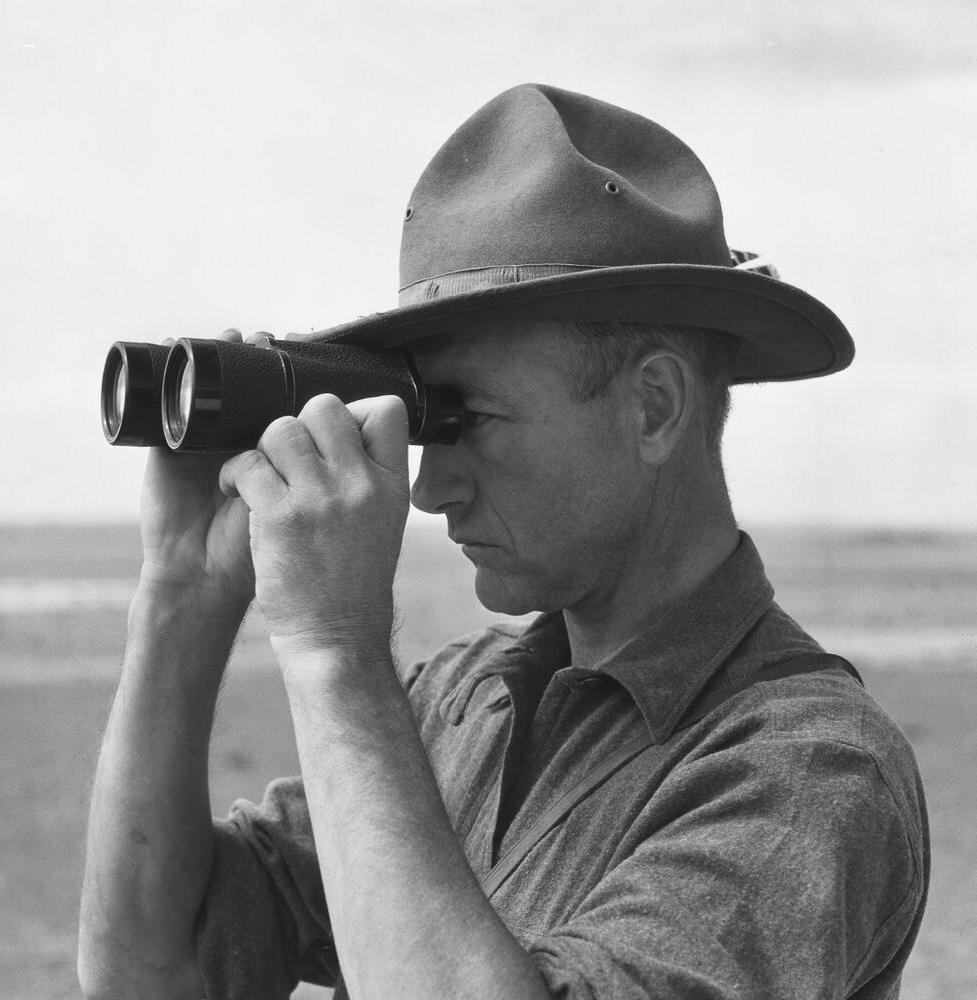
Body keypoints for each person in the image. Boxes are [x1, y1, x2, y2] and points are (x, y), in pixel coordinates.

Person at [78, 84, 929, 1000]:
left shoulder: (806, 769)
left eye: (466, 418)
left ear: (654, 407)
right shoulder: (458, 704)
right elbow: (149, 971)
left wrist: (335, 653)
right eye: (423, 427)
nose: (432, 488)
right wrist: (181, 597)